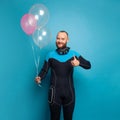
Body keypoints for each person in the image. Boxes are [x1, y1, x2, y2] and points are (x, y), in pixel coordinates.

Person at [35, 30, 91, 120]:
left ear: (67, 40)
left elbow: (88, 65)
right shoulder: (50, 55)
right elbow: (44, 70)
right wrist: (39, 77)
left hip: (69, 94)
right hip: (54, 94)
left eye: (62, 39)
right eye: (58, 38)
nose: (59, 41)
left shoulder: (73, 54)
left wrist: (79, 63)